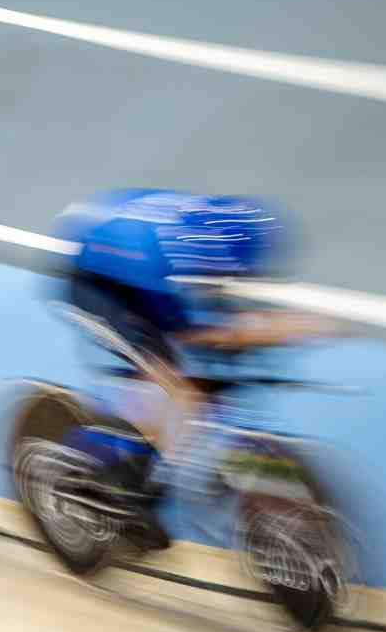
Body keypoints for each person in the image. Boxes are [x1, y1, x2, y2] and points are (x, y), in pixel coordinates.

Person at [52, 189, 342, 544]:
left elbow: (228, 318)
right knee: (168, 380)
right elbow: (195, 334)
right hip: (98, 286)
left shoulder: (216, 246)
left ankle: (148, 457)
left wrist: (284, 328)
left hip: (138, 266)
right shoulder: (162, 263)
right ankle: (103, 462)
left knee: (204, 369)